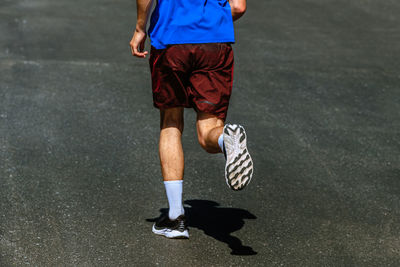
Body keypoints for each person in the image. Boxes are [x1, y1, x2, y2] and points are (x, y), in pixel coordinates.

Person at [130, 0, 253, 239]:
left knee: (171, 124)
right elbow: (238, 7)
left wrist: (140, 29)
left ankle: (175, 218)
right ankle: (225, 141)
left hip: (171, 39)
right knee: (209, 130)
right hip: (215, 42)